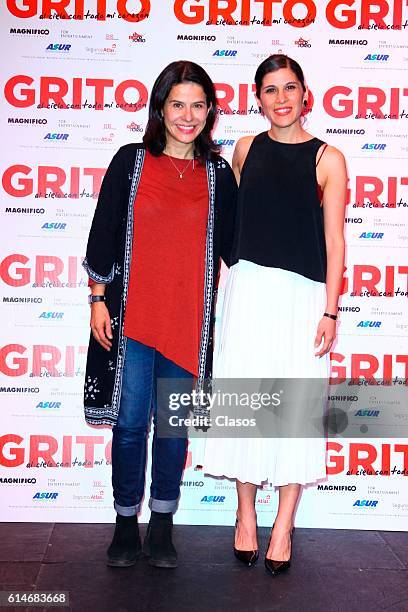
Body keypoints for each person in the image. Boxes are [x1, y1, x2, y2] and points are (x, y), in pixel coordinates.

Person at [82, 60, 237, 569]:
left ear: (210, 111)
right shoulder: (130, 161)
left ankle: (163, 524)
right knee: (129, 425)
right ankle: (126, 522)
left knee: (172, 429)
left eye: (197, 105)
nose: (187, 115)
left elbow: (238, 247)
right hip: (132, 321)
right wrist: (97, 298)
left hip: (188, 322)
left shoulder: (216, 174)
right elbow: (104, 229)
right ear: (161, 108)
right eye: (177, 104)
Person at [202, 54, 347, 575]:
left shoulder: (329, 158)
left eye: (290, 88)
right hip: (249, 290)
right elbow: (232, 222)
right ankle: (245, 517)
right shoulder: (244, 149)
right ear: (257, 97)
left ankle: (283, 523)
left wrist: (330, 311)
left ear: (306, 94)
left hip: (302, 297)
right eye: (270, 90)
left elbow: (334, 240)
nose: (281, 99)